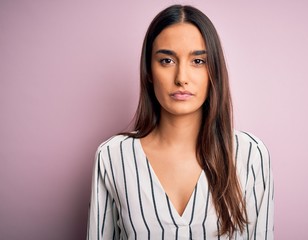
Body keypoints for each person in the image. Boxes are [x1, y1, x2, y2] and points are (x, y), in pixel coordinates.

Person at [87, 4, 274, 240]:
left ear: (213, 71)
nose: (181, 78)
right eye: (167, 60)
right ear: (148, 72)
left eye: (198, 61)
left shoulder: (251, 154)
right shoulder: (112, 156)